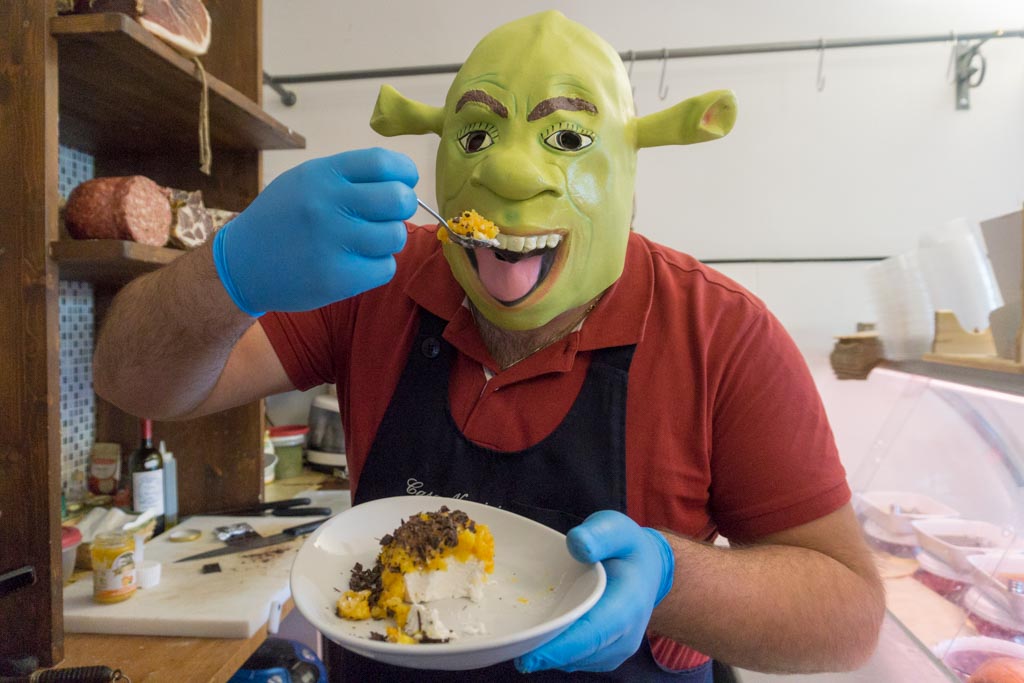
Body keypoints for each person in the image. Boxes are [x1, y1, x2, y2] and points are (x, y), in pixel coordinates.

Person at [94, 10, 884, 682]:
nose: (509, 171)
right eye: (477, 132)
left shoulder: (721, 331)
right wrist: (228, 272)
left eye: (568, 136)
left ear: (630, 160)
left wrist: (673, 580)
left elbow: (848, 615)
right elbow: (132, 379)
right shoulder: (376, 275)